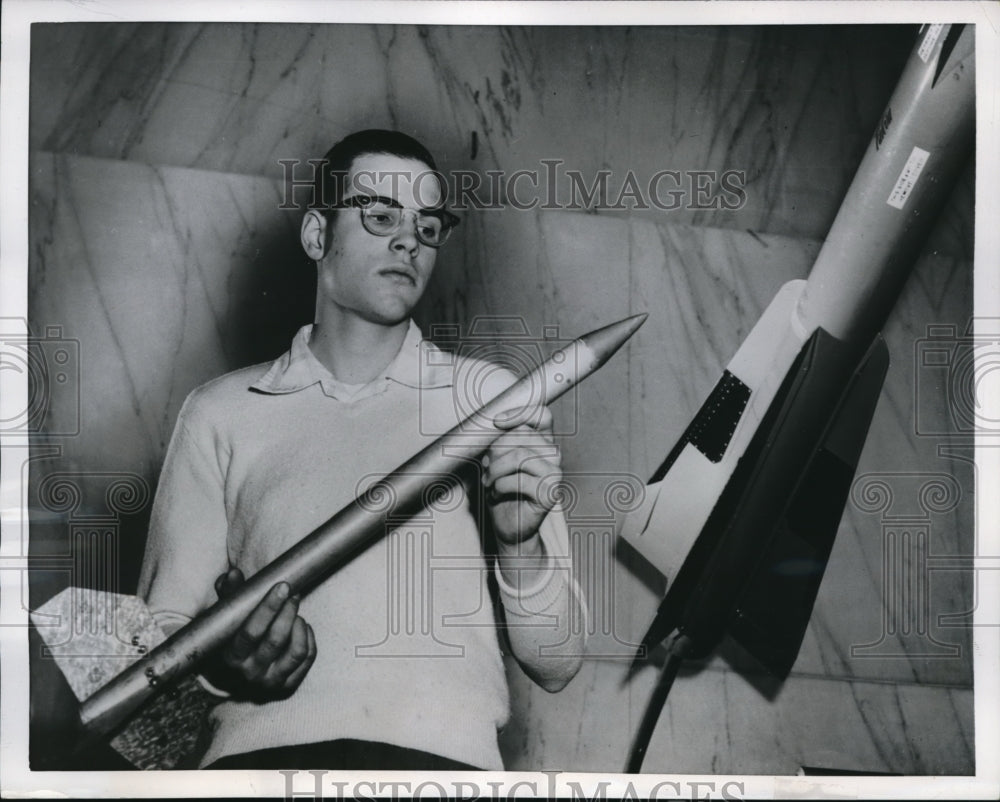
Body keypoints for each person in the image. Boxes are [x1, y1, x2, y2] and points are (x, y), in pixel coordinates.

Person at [137, 129, 586, 771]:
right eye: (379, 215)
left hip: (441, 772)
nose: (409, 241)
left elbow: (559, 660)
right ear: (317, 235)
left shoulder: (488, 399)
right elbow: (146, 677)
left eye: (427, 225)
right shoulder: (220, 410)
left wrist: (521, 544)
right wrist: (221, 670)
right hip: (258, 771)